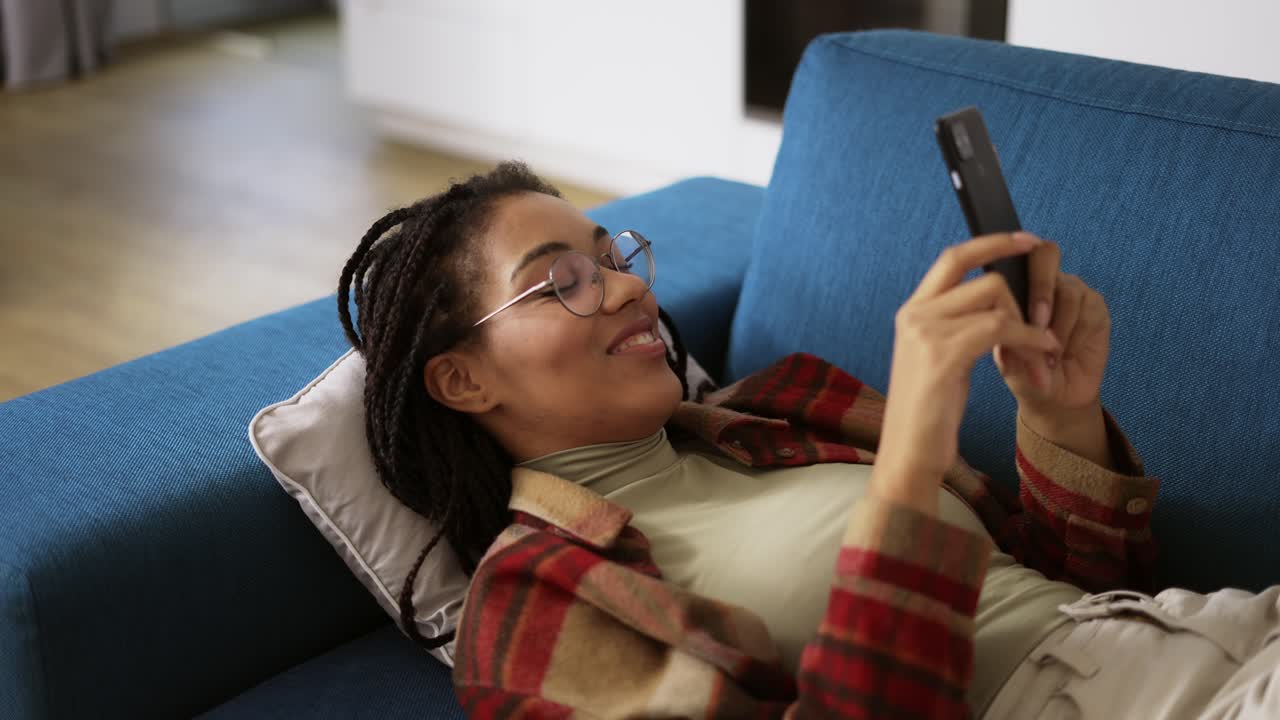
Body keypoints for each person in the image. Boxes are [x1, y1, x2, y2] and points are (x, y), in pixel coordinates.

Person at [337, 162, 1280, 718]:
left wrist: (1060, 414)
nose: (628, 288)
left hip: (1221, 637)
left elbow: (1069, 584)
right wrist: (908, 469)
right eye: (564, 281)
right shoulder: (534, 604)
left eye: (616, 257)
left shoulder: (791, 405)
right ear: (463, 379)